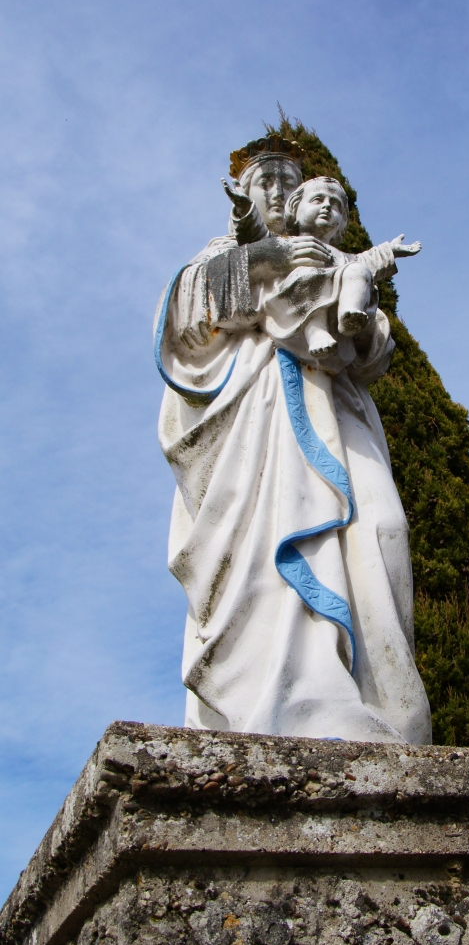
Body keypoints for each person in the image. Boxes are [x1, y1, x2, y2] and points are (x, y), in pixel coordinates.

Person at [155, 134, 432, 744]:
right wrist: (272, 258)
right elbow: (186, 319)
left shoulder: (334, 256)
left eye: (291, 183)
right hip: (253, 428)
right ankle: (287, 700)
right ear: (245, 193)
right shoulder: (225, 254)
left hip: (336, 410)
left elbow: (372, 345)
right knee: (266, 559)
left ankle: (384, 707)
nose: (279, 194)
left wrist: (355, 309)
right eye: (268, 182)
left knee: (382, 529)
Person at [223, 171, 421, 365]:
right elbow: (258, 238)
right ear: (295, 210)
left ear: (342, 221)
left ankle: (349, 315)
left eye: (335, 205)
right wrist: (245, 210)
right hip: (294, 308)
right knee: (307, 275)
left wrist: (389, 251)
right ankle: (315, 331)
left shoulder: (342, 257)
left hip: (334, 316)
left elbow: (367, 261)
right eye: (317, 200)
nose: (327, 206)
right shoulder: (287, 244)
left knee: (359, 271)